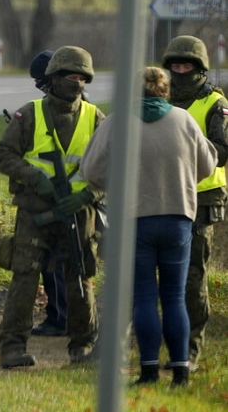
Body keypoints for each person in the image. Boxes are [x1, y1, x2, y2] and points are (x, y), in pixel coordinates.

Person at [82, 67, 216, 387]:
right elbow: (208, 164)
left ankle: (149, 371)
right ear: (165, 90)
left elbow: (90, 169)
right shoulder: (183, 120)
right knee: (174, 297)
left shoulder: (117, 122)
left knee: (144, 296)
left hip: (134, 220)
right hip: (178, 218)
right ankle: (181, 371)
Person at [0, 45, 104, 368]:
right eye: (69, 76)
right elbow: (4, 155)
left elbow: (116, 165)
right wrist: (33, 178)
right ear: (53, 78)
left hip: (79, 213)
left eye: (81, 77)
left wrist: (88, 196)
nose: (75, 82)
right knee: (24, 277)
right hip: (34, 212)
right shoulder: (29, 114)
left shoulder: (96, 118)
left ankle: (82, 347)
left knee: (80, 278)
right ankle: (12, 347)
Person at [161, 35, 228, 372]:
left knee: (192, 278)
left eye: (187, 65)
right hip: (164, 196)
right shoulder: (161, 99)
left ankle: (190, 350)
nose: (181, 70)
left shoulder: (215, 103)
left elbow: (222, 151)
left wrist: (185, 159)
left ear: (200, 68)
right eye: (175, 65)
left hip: (201, 201)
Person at [28, 49, 68, 338]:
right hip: (47, 199)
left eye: (41, 81)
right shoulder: (44, 108)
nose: (39, 88)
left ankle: (62, 318)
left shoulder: (73, 108)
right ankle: (58, 315)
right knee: (52, 264)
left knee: (62, 265)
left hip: (68, 201)